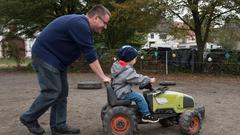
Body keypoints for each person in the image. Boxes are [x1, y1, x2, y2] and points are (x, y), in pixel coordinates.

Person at [20, 4, 111, 135]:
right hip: (45, 56)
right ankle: (29, 118)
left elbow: (89, 51)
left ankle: (58, 126)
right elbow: (90, 55)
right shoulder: (80, 24)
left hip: (58, 62)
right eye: (105, 23)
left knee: (62, 93)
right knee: (52, 90)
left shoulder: (84, 27)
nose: (105, 27)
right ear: (96, 18)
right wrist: (103, 77)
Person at [111, 45, 159, 123]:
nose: (136, 60)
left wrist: (144, 82)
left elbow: (133, 78)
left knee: (136, 95)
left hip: (120, 90)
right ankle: (146, 115)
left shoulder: (119, 67)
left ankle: (143, 111)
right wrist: (149, 80)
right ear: (130, 59)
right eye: (135, 58)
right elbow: (137, 78)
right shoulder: (126, 71)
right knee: (139, 97)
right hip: (123, 93)